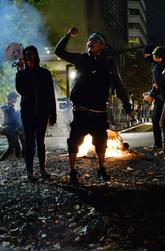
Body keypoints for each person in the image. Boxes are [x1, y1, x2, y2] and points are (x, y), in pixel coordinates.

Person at [55, 27, 131, 185]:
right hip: (81, 111)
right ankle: (72, 171)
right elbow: (59, 51)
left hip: (99, 112)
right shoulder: (81, 59)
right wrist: (67, 36)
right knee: (74, 141)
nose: (91, 41)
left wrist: (126, 103)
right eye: (90, 39)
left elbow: (117, 85)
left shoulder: (109, 64)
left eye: (95, 40)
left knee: (101, 141)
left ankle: (101, 168)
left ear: (103, 45)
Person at [15, 45, 56, 181]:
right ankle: (29, 171)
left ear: (36, 55)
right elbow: (21, 90)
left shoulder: (45, 73)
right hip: (27, 113)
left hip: (42, 112)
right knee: (29, 142)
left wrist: (53, 113)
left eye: (30, 53)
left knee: (40, 142)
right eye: (26, 53)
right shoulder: (23, 72)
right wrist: (20, 72)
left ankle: (43, 169)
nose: (28, 56)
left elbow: (50, 94)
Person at [143, 45, 165, 153]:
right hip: (159, 96)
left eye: (147, 55)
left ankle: (161, 144)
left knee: (160, 121)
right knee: (159, 121)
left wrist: (152, 93)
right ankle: (161, 144)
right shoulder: (155, 64)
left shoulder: (159, 64)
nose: (146, 57)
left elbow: (159, 81)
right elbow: (156, 82)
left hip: (163, 96)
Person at [0, 92, 24, 162]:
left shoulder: (7, 106)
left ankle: (0, 160)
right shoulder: (10, 108)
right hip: (11, 129)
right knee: (17, 147)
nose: (16, 99)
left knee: (11, 148)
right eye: (15, 97)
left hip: (9, 129)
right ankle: (18, 160)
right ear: (11, 98)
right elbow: (13, 120)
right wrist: (18, 113)